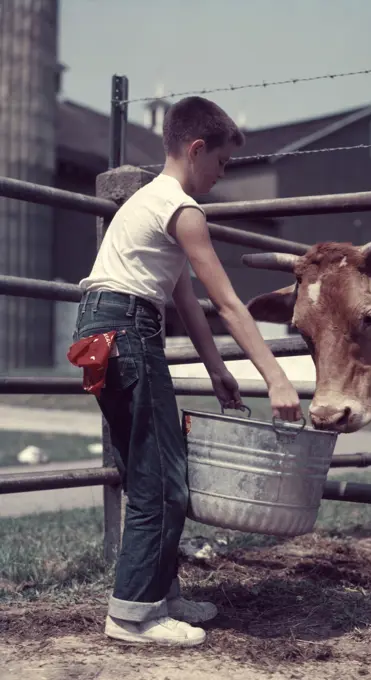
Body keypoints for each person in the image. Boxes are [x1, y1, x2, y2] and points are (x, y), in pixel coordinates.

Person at [71, 96, 303, 647]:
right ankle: (132, 615)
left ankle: (158, 595)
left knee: (156, 467)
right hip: (128, 329)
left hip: (102, 328)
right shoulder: (182, 209)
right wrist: (276, 378)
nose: (221, 177)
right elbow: (227, 302)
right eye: (222, 163)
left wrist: (217, 368)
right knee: (162, 480)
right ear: (197, 150)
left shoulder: (150, 203)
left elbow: (188, 300)